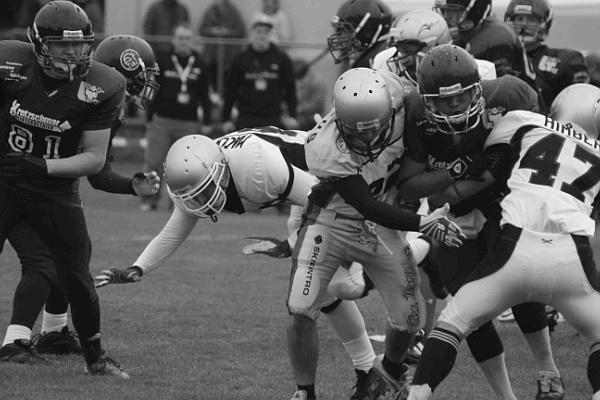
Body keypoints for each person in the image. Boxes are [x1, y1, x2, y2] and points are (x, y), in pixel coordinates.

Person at [91, 129, 432, 400]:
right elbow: (175, 229)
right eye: (194, 196)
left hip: (330, 181)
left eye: (204, 191)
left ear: (219, 170)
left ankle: (421, 247)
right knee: (323, 290)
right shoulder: (198, 174)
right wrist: (138, 269)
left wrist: (290, 244)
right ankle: (366, 371)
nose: (201, 202)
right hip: (305, 193)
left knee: (344, 284)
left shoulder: (255, 168)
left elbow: (322, 199)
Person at [406, 83, 600, 400]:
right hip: (572, 259)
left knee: (452, 323)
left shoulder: (523, 121)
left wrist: (443, 196)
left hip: (516, 250)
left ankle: (417, 394)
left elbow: (485, 168)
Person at [287, 67, 466, 400]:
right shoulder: (323, 146)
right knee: (300, 307)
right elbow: (366, 206)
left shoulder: (403, 103)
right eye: (358, 131)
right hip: (331, 220)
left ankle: (388, 373)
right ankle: (304, 392)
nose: (368, 138)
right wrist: (423, 223)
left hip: (380, 224)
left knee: (410, 319)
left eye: (374, 128)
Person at [396, 43, 562, 400]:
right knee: (468, 305)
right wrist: (456, 173)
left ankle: (547, 370)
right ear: (428, 101)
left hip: (506, 201)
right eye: (444, 100)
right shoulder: (416, 114)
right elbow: (408, 184)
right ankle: (506, 397)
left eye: (462, 95)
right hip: (455, 214)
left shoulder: (509, 95)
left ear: (477, 89)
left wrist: (481, 180)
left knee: (519, 281)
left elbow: (546, 152)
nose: (455, 104)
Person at [0, 34, 161, 360]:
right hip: (16, 181)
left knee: (75, 254)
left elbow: (98, 171)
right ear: (120, 72)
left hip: (51, 187)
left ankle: (54, 333)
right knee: (43, 260)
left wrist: (131, 186)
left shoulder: (106, 102)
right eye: (142, 76)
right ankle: (14, 341)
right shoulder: (80, 93)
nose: (146, 85)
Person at [140, 23, 212, 212]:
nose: (183, 42)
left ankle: (180, 203)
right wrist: (149, 118)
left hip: (189, 123)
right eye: (180, 38)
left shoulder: (201, 64)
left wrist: (207, 122)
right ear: (173, 39)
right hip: (162, 121)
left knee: (184, 166)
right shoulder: (162, 61)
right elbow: (152, 90)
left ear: (193, 41)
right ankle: (149, 199)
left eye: (187, 38)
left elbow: (205, 95)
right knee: (154, 162)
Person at [433, 0, 542, 108]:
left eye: (453, 11)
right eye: (445, 10)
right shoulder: (467, 34)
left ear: (476, 10)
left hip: (520, 110)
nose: (447, 16)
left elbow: (505, 95)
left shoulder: (496, 39)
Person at [504, 0, 590, 108]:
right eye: (520, 19)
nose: (524, 24)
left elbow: (580, 105)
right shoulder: (498, 56)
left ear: (545, 24)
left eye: (531, 19)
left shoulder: (566, 59)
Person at [221, 15, 297, 132]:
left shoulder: (282, 59)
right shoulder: (240, 59)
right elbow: (230, 91)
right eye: (258, 31)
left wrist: (292, 115)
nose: (262, 35)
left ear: (271, 34)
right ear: (252, 33)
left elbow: (290, 89)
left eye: (266, 32)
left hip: (273, 118)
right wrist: (226, 119)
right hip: (245, 118)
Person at [198, 0, 246, 95]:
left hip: (228, 57)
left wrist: (227, 32)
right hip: (211, 56)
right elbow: (202, 29)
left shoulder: (233, 12)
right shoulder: (210, 11)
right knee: (210, 83)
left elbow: (240, 31)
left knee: (227, 84)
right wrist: (212, 31)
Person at [327, 0, 393, 68]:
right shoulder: (366, 61)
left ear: (368, 31)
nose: (342, 36)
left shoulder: (382, 63)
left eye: (348, 30)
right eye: (340, 30)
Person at [292, 58, 327, 132]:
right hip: (296, 116)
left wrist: (299, 108)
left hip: (312, 118)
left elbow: (317, 105)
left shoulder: (317, 83)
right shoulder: (294, 82)